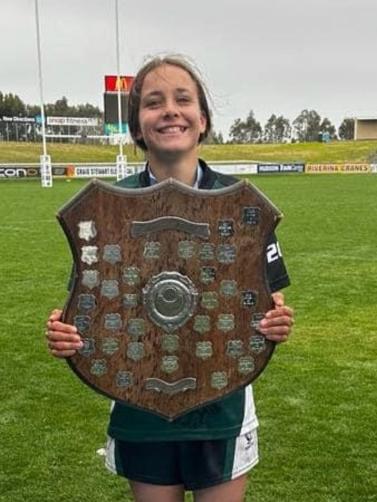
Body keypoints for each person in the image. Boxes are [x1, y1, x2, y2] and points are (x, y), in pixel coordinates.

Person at [46, 55, 294, 502]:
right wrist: (67, 334)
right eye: (153, 102)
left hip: (222, 402)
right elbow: (89, 305)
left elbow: (265, 303)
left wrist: (275, 323)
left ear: (202, 120)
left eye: (183, 99)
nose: (170, 111)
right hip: (141, 402)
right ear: (137, 128)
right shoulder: (105, 209)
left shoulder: (243, 207)